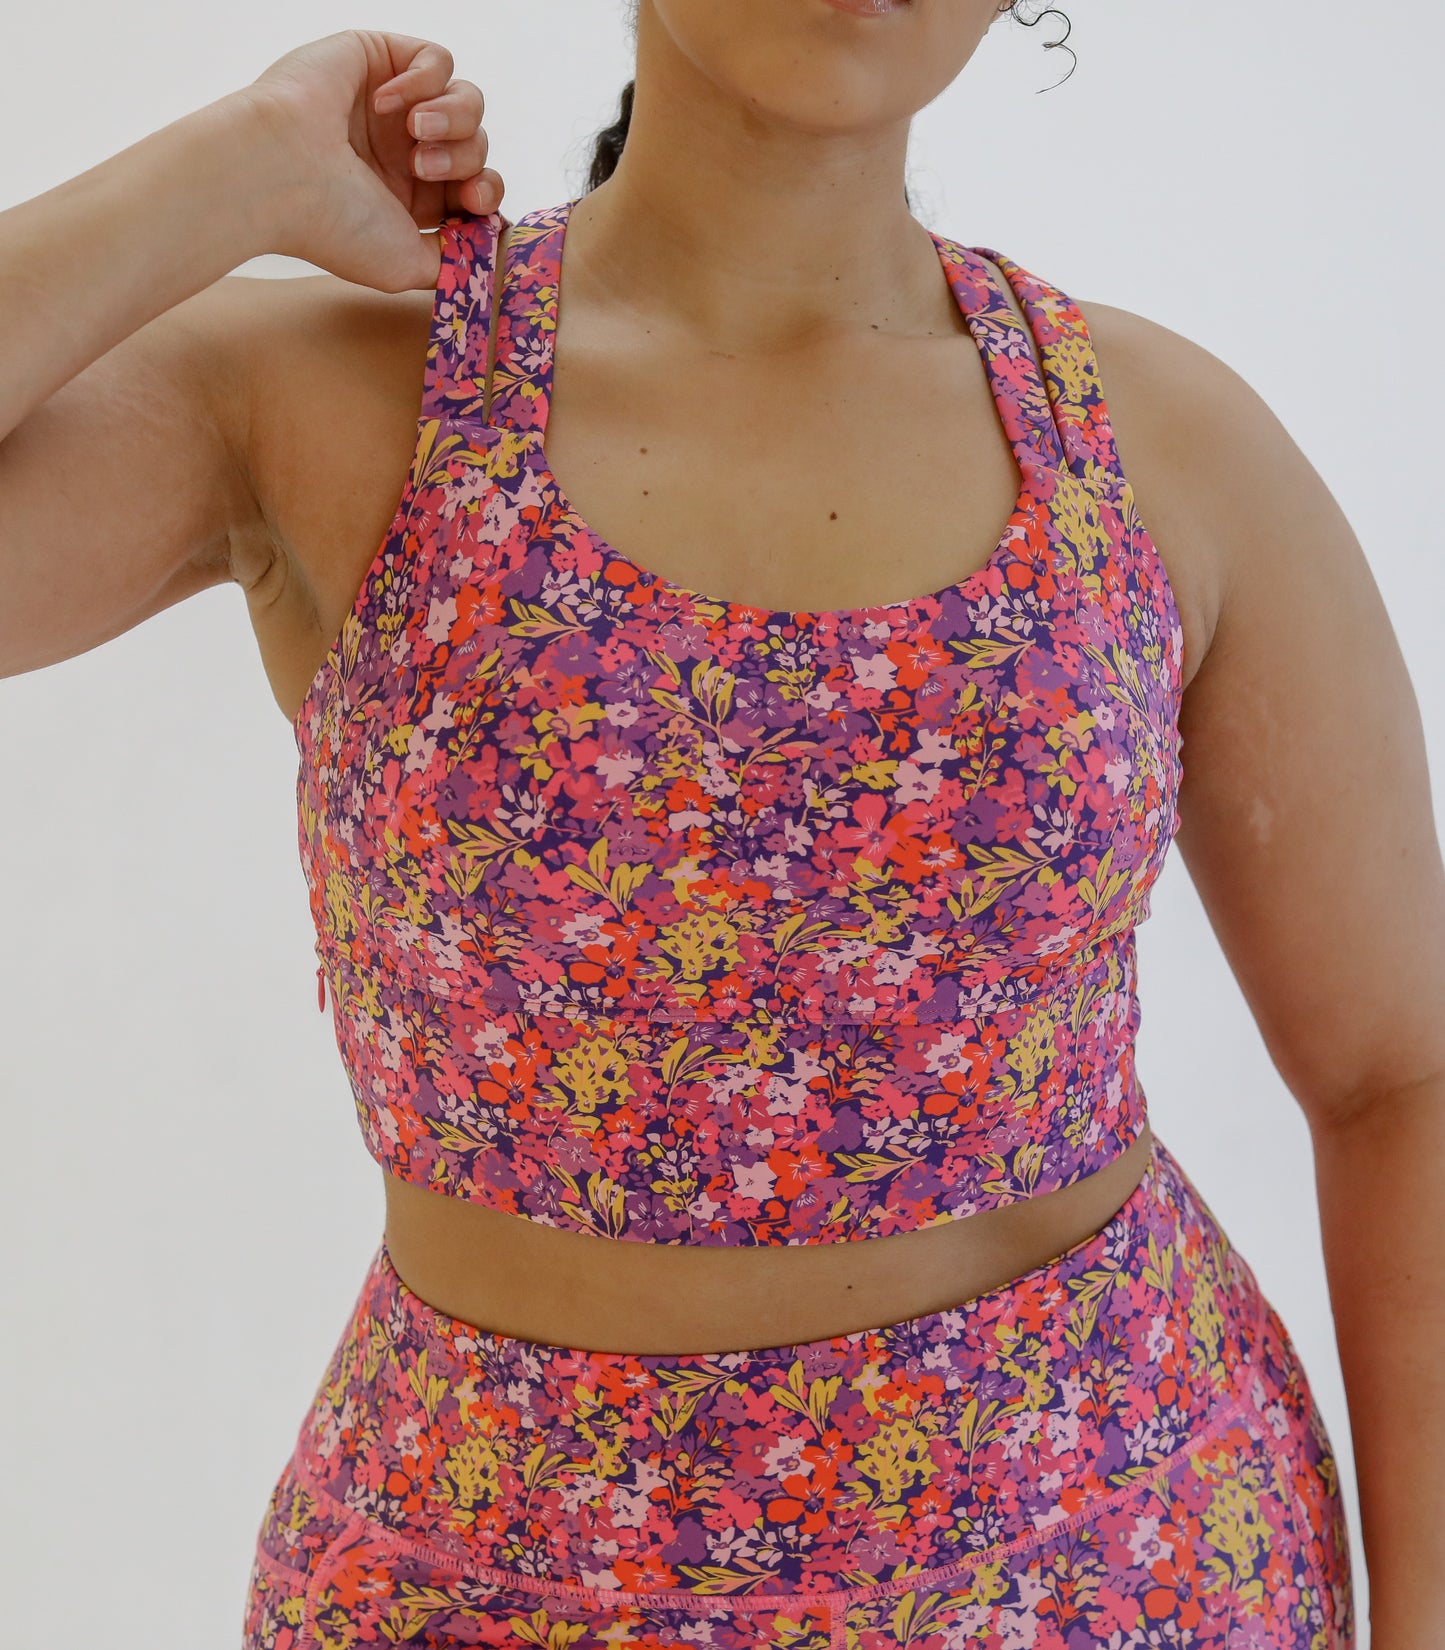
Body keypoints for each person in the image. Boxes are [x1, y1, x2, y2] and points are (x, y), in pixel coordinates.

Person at [2, 5, 1442, 1644]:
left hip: (1121, 1563)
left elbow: (1397, 1072)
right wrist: (233, 170)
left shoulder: (1156, 446)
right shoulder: (332, 394)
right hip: (483, 1591)